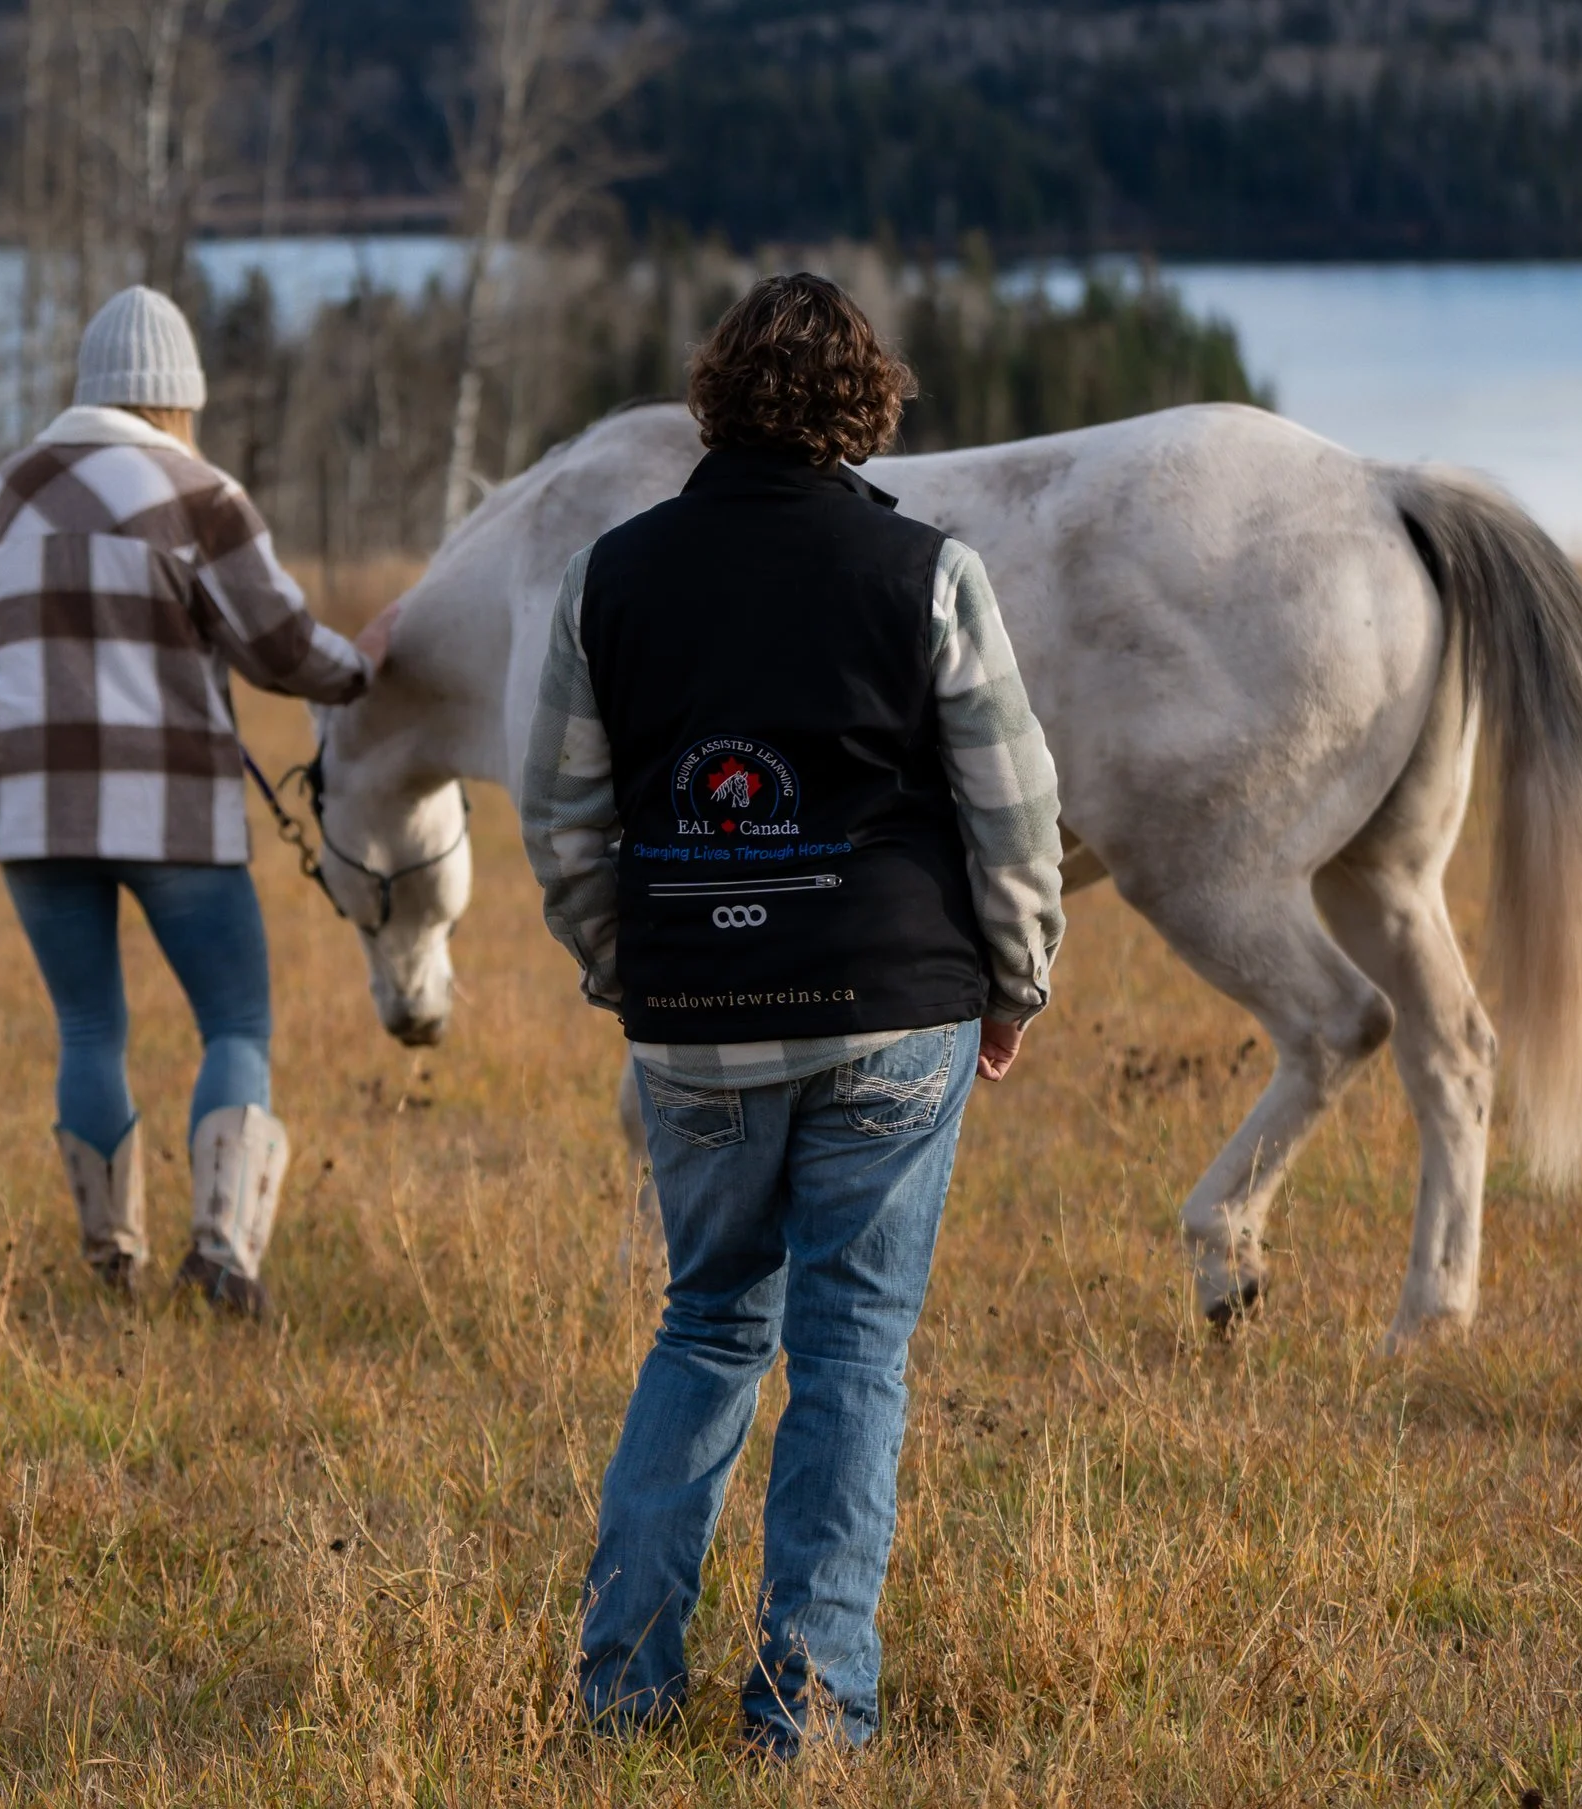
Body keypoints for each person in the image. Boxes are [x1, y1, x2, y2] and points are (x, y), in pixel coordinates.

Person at [518, 273, 1067, 1755]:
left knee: (704, 1326)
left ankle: (620, 1697)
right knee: (852, 1354)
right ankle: (810, 1715)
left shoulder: (608, 575)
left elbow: (561, 817)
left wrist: (627, 970)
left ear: (714, 396)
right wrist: (1013, 987)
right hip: (895, 1011)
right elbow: (1016, 816)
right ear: (865, 405)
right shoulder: (929, 574)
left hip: (692, 1017)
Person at [0, 285, 377, 1316]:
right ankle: (224, 1257)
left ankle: (113, 1257)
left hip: (34, 810)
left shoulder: (1, 493)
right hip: (174, 811)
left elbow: (1, 641)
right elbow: (281, 647)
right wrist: (365, 669)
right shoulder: (197, 492)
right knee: (235, 1020)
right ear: (175, 398)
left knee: (88, 1032)